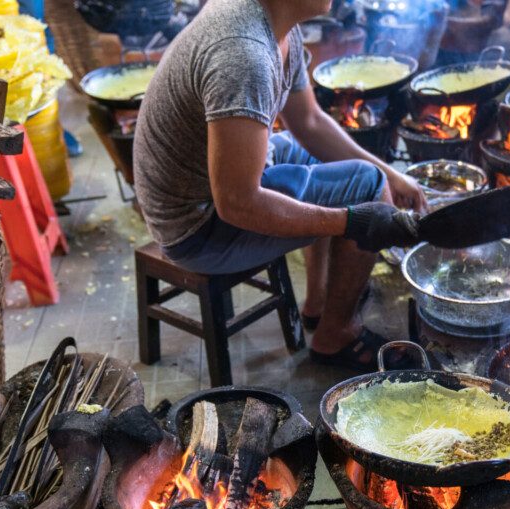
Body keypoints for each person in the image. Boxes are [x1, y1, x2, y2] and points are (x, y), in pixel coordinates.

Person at [133, 0, 426, 372]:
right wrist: (350, 221)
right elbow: (237, 203)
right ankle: (336, 334)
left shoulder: (278, 21)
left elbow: (309, 123)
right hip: (195, 229)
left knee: (362, 174)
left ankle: (320, 303)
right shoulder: (245, 54)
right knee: (368, 188)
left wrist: (391, 172)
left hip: (205, 193)